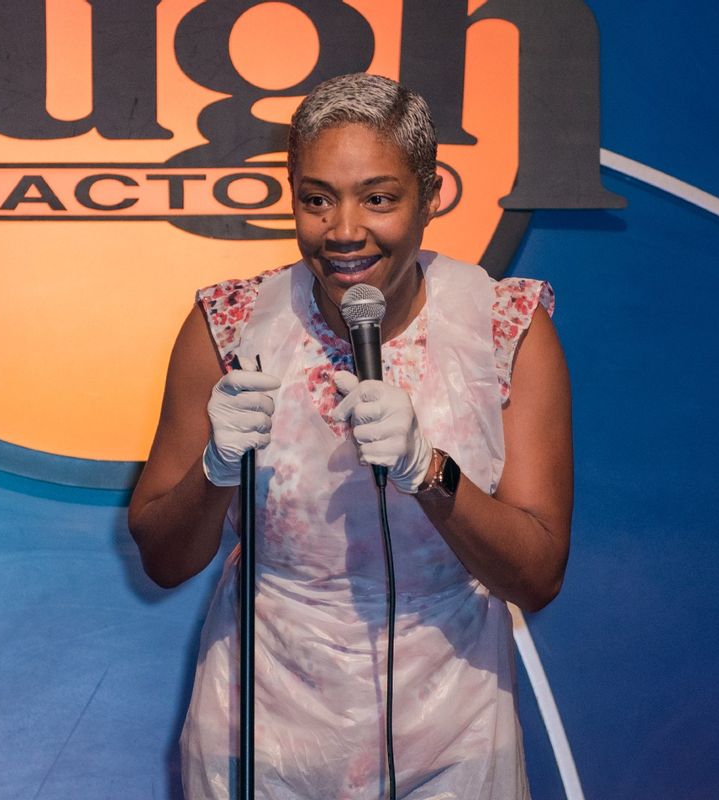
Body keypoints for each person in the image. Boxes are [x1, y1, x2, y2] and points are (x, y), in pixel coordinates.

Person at [128, 73, 572, 799]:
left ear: (431, 195)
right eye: (316, 198)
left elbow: (538, 576)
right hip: (264, 725)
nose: (343, 231)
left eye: (378, 197)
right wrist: (214, 468)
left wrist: (430, 471)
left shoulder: (506, 327)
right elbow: (163, 559)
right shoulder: (231, 325)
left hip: (452, 728)